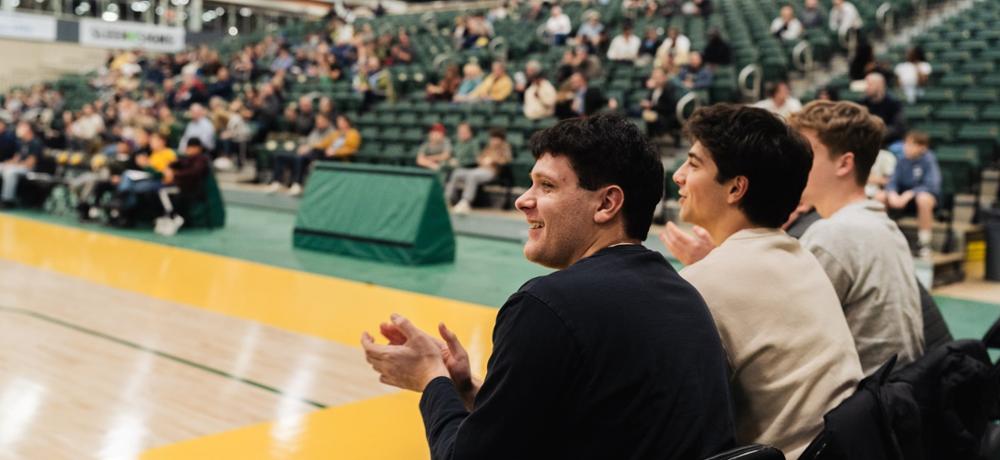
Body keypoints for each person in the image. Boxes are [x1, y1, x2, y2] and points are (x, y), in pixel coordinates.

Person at [361, 113, 735, 459]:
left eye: (547, 186)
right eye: (530, 184)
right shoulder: (686, 297)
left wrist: (430, 378)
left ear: (607, 203)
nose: (524, 200)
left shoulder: (547, 306)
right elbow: (595, 427)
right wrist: (466, 391)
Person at [662, 104, 863, 458]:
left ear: (736, 188)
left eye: (693, 164)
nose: (678, 176)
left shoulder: (701, 284)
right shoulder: (803, 257)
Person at [790, 101, 924, 373]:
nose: (793, 163)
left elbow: (784, 336)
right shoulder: (882, 225)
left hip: (859, 405)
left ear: (844, 163)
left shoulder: (832, 234)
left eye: (806, 152)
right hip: (895, 398)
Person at [880, 131, 941, 257]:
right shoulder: (902, 160)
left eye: (910, 144)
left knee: (923, 199)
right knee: (880, 197)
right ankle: (881, 238)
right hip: (903, 199)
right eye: (905, 144)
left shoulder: (929, 160)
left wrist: (910, 193)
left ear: (922, 147)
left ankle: (924, 243)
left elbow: (932, 185)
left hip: (922, 198)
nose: (905, 147)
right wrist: (892, 194)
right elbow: (892, 181)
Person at [445, 128, 512, 214]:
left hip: (491, 172)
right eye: (492, 138)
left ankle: (466, 201)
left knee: (472, 175)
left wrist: (493, 160)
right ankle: (448, 199)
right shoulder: (488, 147)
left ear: (501, 139)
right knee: (457, 173)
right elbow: (479, 158)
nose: (494, 140)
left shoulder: (505, 147)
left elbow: (506, 160)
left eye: (496, 138)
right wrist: (482, 160)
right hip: (479, 169)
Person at [0, 122, 42, 207]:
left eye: (21, 127)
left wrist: (14, 166)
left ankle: (7, 200)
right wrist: (5, 164)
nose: (18, 129)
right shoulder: (21, 142)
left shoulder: (35, 142)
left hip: (30, 169)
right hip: (19, 167)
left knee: (10, 173)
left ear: (27, 128)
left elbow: (30, 163)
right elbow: (16, 158)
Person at [861, 72, 906, 144]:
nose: (866, 87)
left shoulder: (893, 103)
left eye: (870, 84)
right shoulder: (863, 103)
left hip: (890, 141)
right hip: (868, 140)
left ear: (880, 85)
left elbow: (898, 127)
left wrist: (877, 134)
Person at [640, 67, 678, 139]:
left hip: (666, 117)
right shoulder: (654, 89)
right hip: (655, 114)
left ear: (664, 77)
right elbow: (649, 101)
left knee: (649, 117)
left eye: (658, 77)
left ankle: (649, 138)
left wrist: (652, 106)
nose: (656, 79)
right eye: (654, 77)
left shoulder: (669, 89)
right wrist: (646, 104)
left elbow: (669, 107)